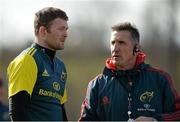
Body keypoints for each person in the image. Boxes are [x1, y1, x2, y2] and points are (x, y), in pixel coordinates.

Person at [79, 22, 180, 121]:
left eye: (121, 43)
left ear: (137, 48)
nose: (115, 48)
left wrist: (155, 120)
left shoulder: (160, 79)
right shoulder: (97, 84)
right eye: (113, 43)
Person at [7, 7, 69, 121]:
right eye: (61, 29)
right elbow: (17, 112)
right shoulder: (27, 60)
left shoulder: (61, 66)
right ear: (43, 31)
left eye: (66, 29)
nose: (66, 34)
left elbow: (61, 112)